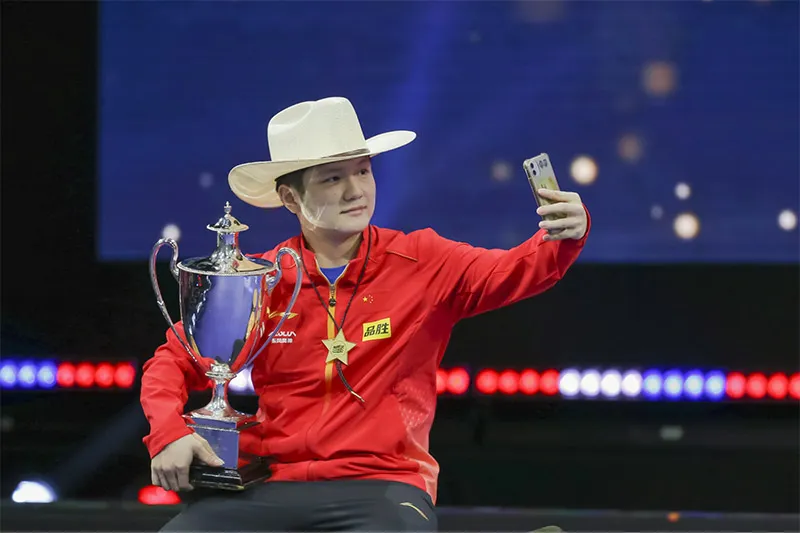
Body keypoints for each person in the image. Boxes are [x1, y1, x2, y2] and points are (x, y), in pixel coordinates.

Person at [140, 96, 590, 532]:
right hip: (269, 484)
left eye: (362, 171)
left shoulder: (422, 260)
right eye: (332, 179)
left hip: (384, 486)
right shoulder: (262, 280)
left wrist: (564, 235)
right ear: (290, 199)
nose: (356, 190)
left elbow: (515, 271)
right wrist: (169, 433)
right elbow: (172, 361)